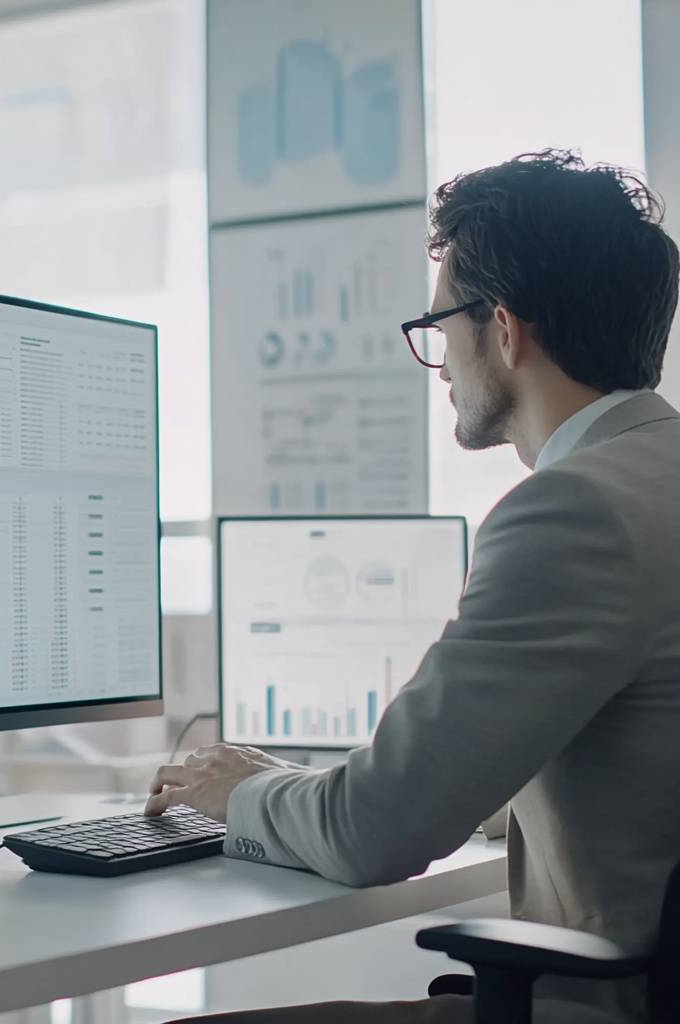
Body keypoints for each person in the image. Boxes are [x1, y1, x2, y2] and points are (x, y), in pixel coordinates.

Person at [146, 150, 680, 1024]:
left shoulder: (575, 511)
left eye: (438, 329)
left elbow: (375, 834)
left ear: (505, 331)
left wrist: (234, 789)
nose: (436, 361)